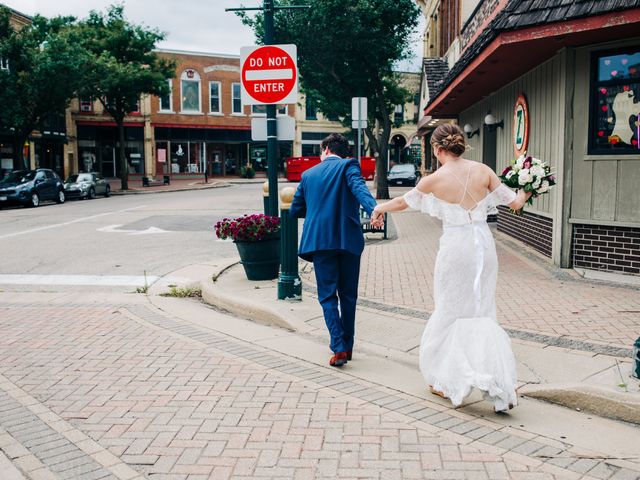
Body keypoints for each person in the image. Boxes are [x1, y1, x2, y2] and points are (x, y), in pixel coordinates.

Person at [371, 124, 530, 413]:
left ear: (437, 149)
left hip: (456, 248)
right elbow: (516, 203)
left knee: (449, 310)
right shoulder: (483, 170)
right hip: (483, 246)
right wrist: (531, 184)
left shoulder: (435, 179)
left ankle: (447, 379)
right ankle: (497, 384)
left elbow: (403, 202)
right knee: (482, 310)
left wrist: (380, 208)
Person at [290, 133, 377, 367]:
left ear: (326, 149)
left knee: (327, 295)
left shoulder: (308, 175)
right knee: (349, 295)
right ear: (344, 151)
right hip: (348, 240)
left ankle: (338, 347)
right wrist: (374, 210)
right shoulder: (349, 166)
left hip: (320, 242)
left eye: (321, 151)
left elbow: (295, 209)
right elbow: (360, 190)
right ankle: (347, 348)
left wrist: (317, 211)